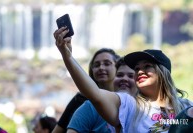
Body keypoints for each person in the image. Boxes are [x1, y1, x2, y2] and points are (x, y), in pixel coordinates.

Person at [53, 27, 193, 132]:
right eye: (137, 68)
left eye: (147, 66)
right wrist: (67, 56)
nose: (140, 71)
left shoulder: (186, 107)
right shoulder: (129, 106)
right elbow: (94, 94)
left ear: (164, 73)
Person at [52, 48, 120, 133]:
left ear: (118, 67)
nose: (101, 68)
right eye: (96, 65)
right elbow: (58, 129)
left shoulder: (125, 101)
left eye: (107, 63)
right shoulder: (80, 99)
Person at [67, 57, 137, 133]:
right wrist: (67, 56)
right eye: (119, 75)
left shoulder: (146, 110)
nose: (124, 79)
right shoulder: (91, 106)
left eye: (131, 76)